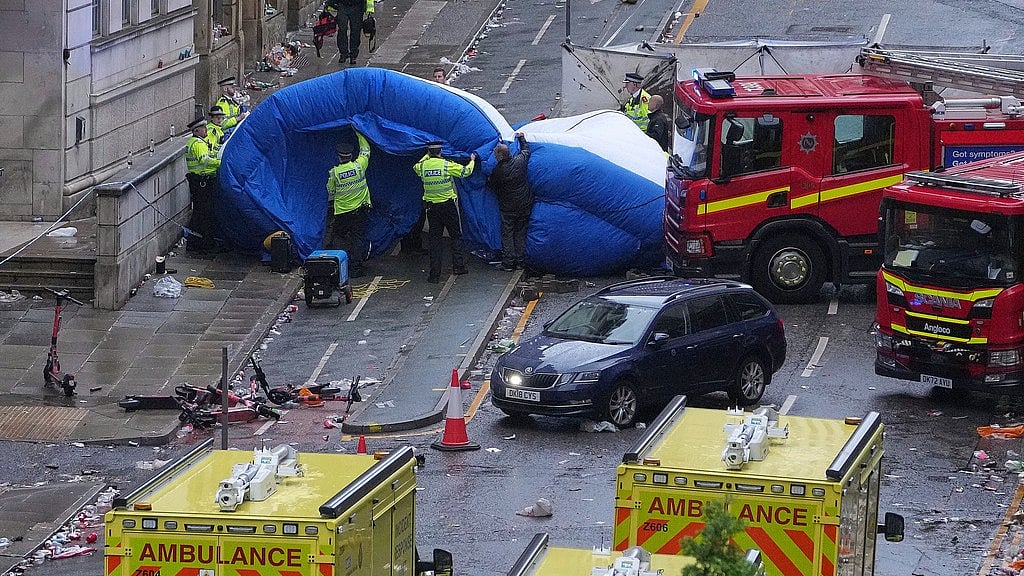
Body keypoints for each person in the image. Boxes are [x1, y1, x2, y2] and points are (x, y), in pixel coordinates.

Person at [413, 142, 477, 283]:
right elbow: (465, 172)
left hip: (432, 208)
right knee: (455, 236)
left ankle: (434, 275)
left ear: (429, 152)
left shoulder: (422, 166)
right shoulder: (446, 165)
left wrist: (427, 156)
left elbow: (416, 166)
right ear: (441, 151)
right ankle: (458, 266)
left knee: (435, 240)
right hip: (448, 207)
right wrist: (472, 160)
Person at [327, 132, 372, 277]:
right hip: (359, 210)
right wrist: (359, 132)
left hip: (341, 212)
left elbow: (331, 190)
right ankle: (356, 268)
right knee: (358, 238)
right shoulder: (359, 166)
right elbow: (366, 150)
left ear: (339, 156)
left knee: (338, 238)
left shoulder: (334, 173)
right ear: (351, 156)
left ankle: (337, 266)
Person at [486, 133, 533, 271]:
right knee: (520, 233)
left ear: (499, 156)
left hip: (508, 208)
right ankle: (520, 262)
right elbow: (526, 150)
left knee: (507, 234)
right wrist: (522, 138)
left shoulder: (498, 171)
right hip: (525, 203)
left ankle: (508, 262)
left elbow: (491, 185)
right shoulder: (520, 161)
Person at [184, 118, 221, 254]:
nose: (206, 130)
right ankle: (202, 243)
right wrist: (220, 162)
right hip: (201, 182)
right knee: (204, 213)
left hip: (199, 181)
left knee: (200, 213)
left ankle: (199, 242)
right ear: (197, 131)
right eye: (203, 128)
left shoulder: (196, 142)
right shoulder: (198, 144)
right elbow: (204, 161)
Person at [325, 0, 374, 66]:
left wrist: (369, 9)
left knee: (355, 31)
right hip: (342, 5)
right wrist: (330, 3)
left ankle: (353, 55)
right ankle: (343, 53)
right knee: (342, 30)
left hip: (357, 6)